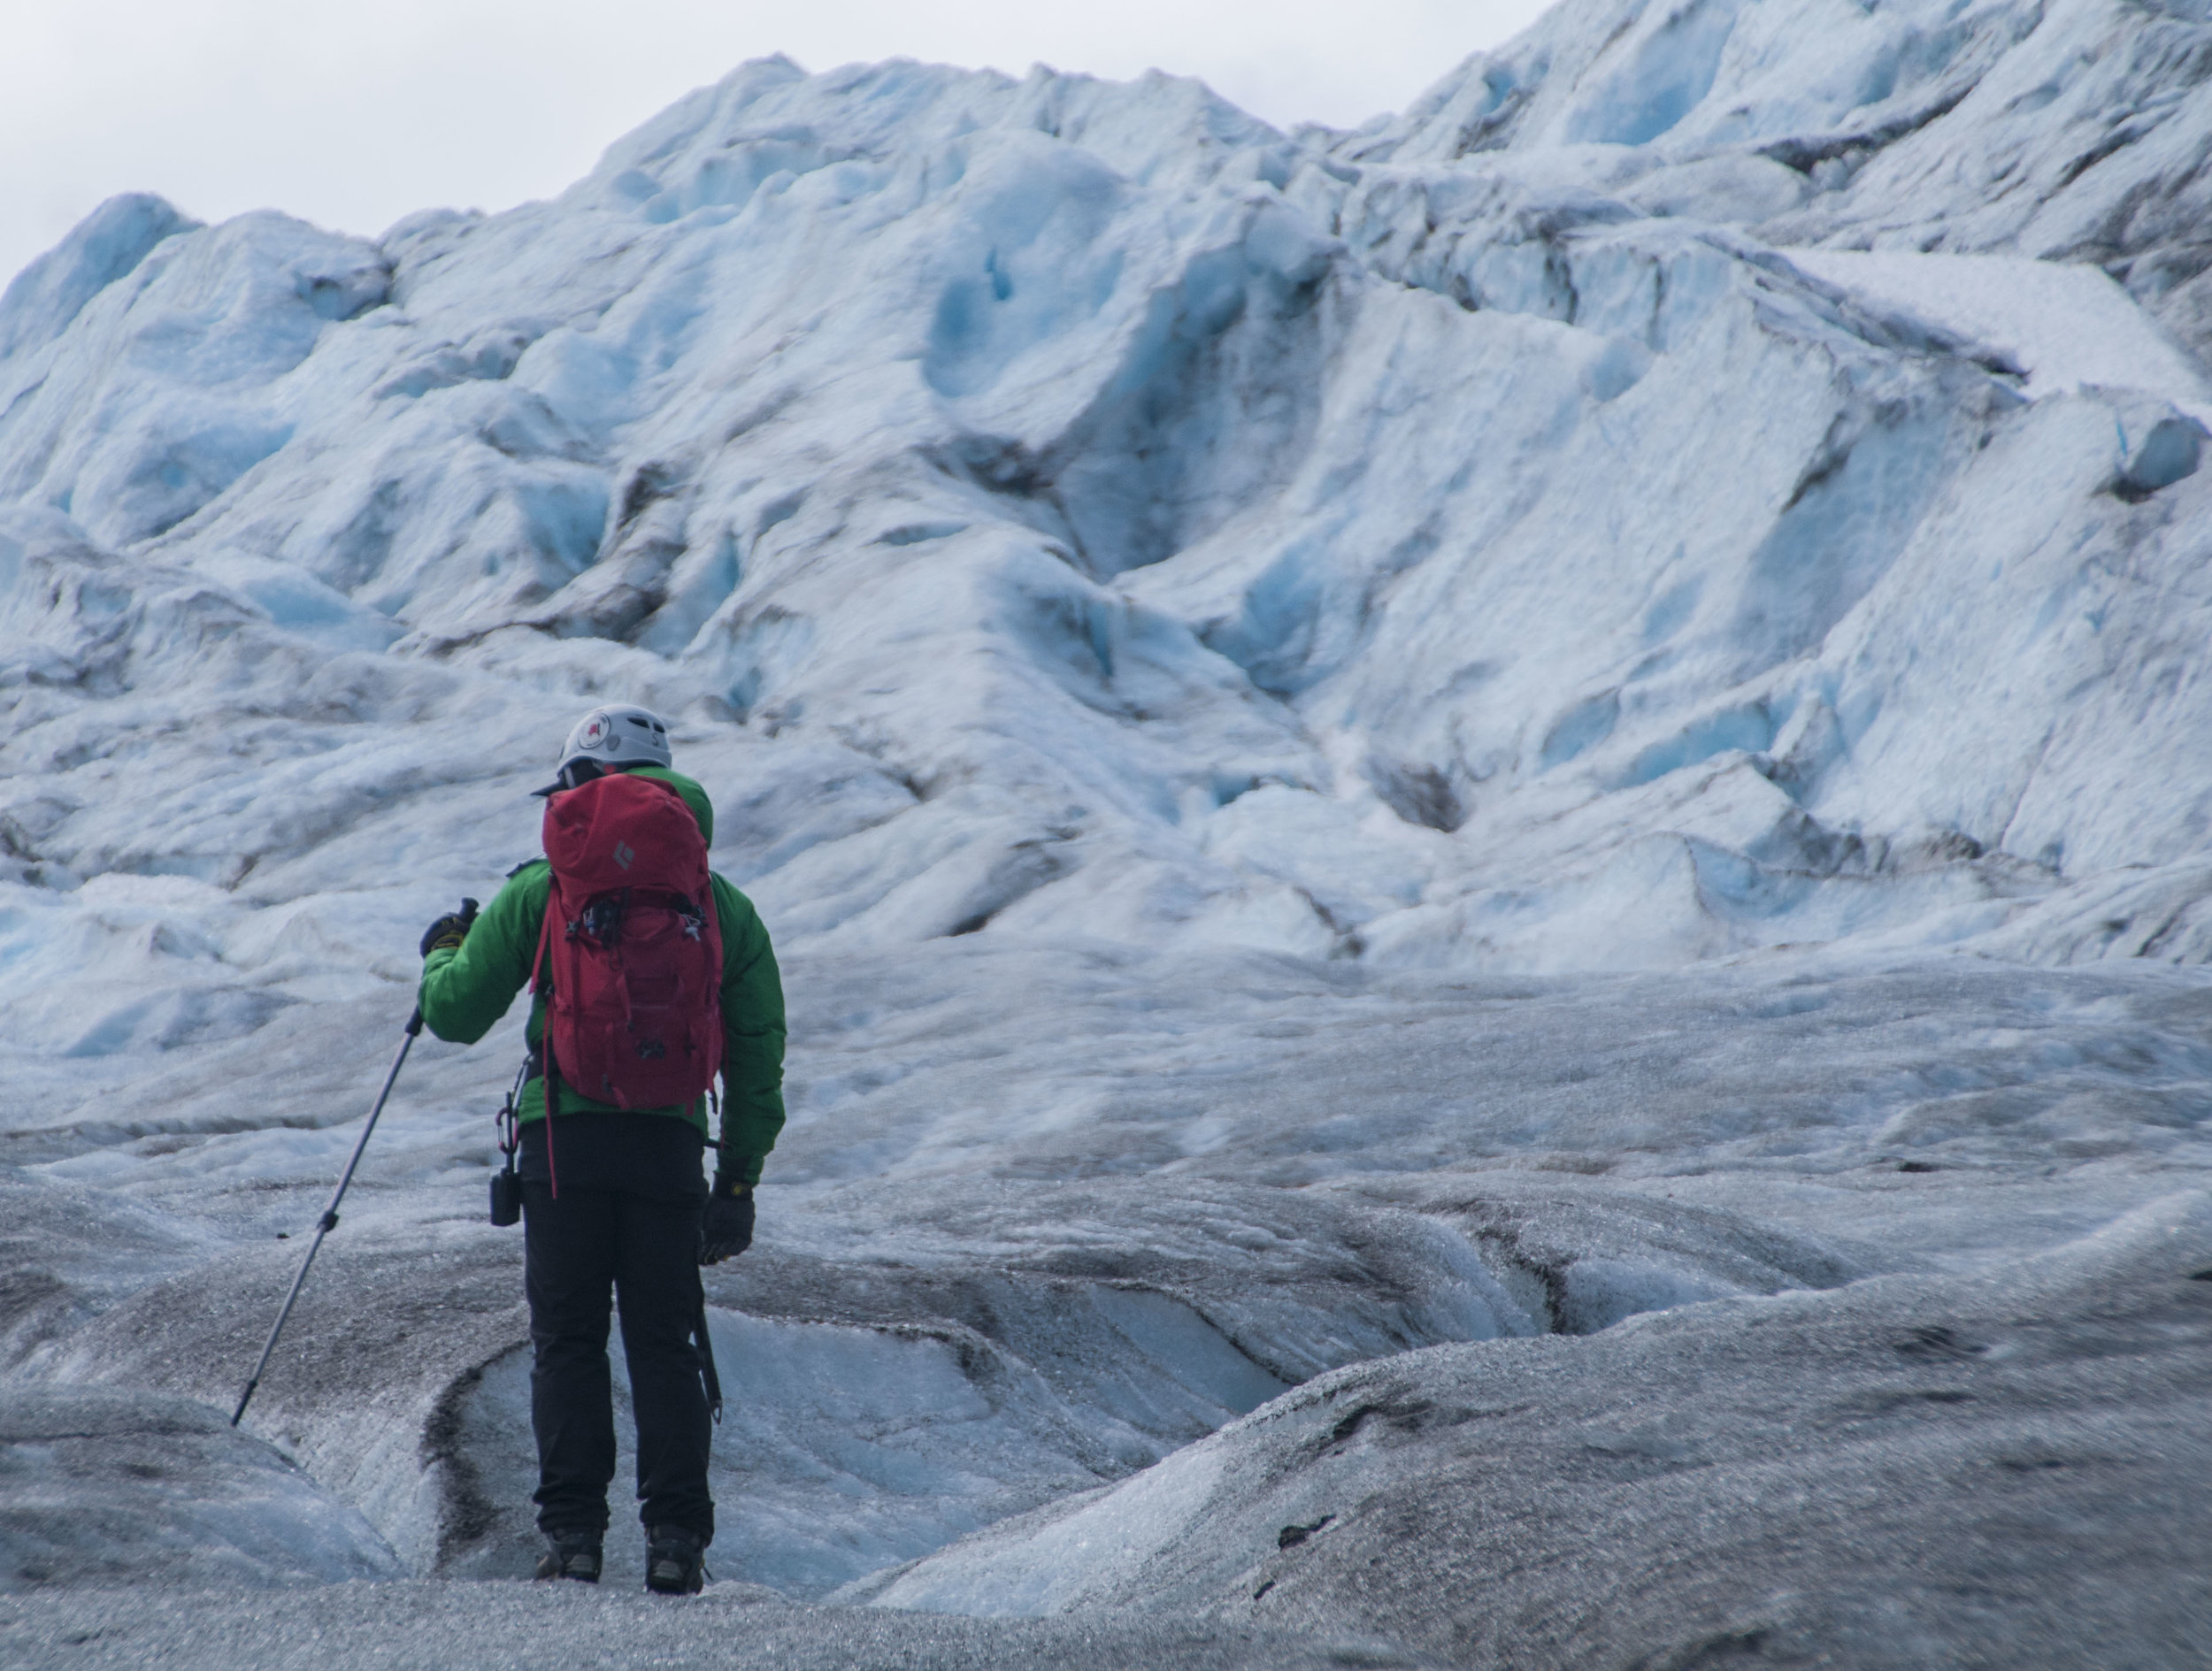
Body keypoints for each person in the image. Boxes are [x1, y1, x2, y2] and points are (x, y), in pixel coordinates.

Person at [416, 704, 786, 1595]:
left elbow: (456, 1014)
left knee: (568, 1341)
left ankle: (574, 1539)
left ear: (584, 784)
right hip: (667, 1148)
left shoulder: (543, 890)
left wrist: (444, 950)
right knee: (664, 1341)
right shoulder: (719, 903)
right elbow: (757, 1049)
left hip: (563, 1145)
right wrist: (735, 1179)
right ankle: (675, 1545)